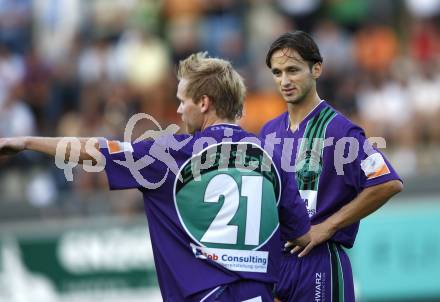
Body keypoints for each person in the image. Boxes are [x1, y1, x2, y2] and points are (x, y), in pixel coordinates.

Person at [0, 52, 311, 302]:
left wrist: (27, 142)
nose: (178, 109)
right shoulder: (272, 157)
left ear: (203, 103)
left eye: (182, 100)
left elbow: (93, 149)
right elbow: (300, 234)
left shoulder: (171, 153)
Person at [260, 31, 403, 302]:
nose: (285, 80)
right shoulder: (268, 131)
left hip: (320, 262)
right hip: (277, 264)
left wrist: (329, 226)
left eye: (293, 70)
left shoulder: (339, 130)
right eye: (277, 73)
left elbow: (388, 182)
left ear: (317, 69)